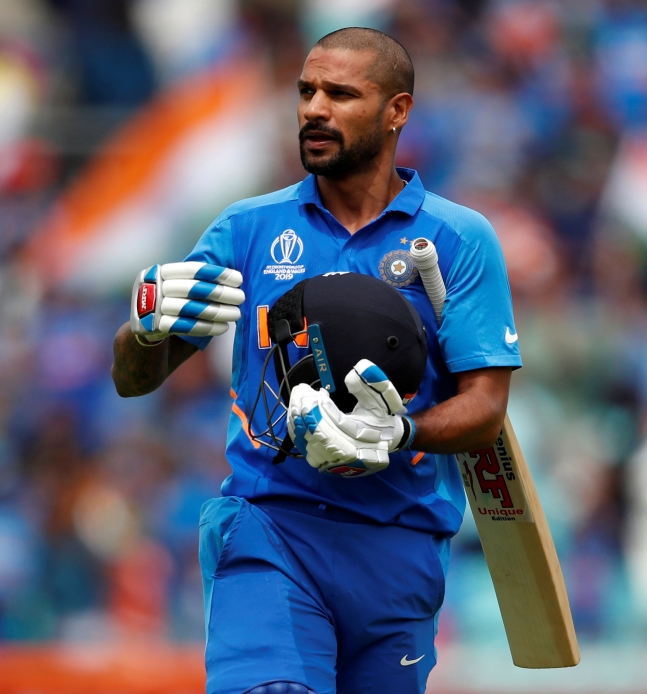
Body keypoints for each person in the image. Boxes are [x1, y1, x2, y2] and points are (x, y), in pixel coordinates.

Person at [112, 27, 521, 694]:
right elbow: (134, 381)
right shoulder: (247, 230)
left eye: (341, 94)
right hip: (272, 529)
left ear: (398, 110)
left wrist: (399, 432)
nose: (314, 109)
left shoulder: (459, 239)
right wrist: (144, 330)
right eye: (306, 91)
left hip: (398, 546)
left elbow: (486, 410)